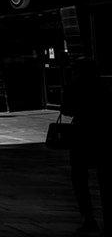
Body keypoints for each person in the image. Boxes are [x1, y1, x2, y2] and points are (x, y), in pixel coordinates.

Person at [61, 57, 111, 235]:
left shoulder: (73, 86)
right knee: (104, 179)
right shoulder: (103, 86)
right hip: (102, 134)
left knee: (80, 178)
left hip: (81, 135)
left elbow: (66, 110)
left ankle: (88, 218)